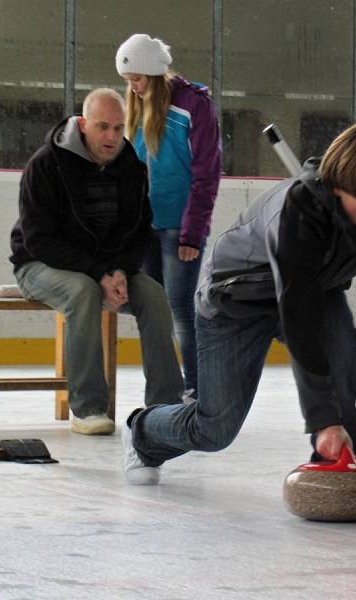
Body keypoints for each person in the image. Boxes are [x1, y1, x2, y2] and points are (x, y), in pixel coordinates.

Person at [121, 119, 356, 484]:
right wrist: (322, 418)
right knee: (215, 428)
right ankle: (142, 432)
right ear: (339, 187)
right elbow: (299, 315)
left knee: (342, 347)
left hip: (312, 292)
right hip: (236, 301)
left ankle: (336, 471)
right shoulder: (298, 214)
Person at [9, 88, 184, 436]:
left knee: (152, 294)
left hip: (106, 268)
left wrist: (120, 270)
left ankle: (166, 405)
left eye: (119, 129)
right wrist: (98, 274)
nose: (111, 137)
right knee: (83, 291)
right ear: (83, 124)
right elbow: (38, 239)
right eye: (103, 127)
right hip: (38, 264)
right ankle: (88, 408)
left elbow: (139, 231)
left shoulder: (130, 167)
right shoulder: (46, 164)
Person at [115, 33, 222, 399]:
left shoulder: (194, 106)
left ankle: (196, 385)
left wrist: (193, 233)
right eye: (128, 82)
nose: (133, 87)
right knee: (150, 308)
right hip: (145, 225)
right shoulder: (136, 105)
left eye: (138, 80)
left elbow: (206, 173)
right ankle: (162, 385)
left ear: (155, 74)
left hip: (180, 227)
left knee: (178, 307)